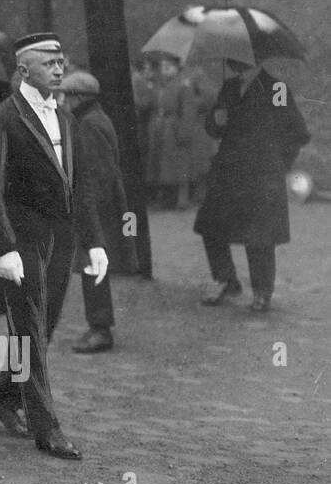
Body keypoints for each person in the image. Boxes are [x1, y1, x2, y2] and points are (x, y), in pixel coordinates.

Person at [0, 33, 107, 461]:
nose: (58, 68)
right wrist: (5, 247)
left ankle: (2, 399)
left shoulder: (68, 120)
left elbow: (82, 187)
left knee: (42, 327)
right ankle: (47, 426)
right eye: (48, 62)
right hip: (21, 238)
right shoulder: (1, 119)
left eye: (60, 61)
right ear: (23, 70)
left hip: (61, 239)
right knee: (29, 328)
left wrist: (96, 243)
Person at [194, 60, 308, 313]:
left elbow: (297, 131)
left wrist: (279, 162)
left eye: (240, 60)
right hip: (228, 172)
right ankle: (226, 280)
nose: (234, 64)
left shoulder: (275, 89)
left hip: (261, 173)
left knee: (260, 235)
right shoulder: (229, 87)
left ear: (255, 60)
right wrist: (217, 120)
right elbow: (213, 129)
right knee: (209, 226)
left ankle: (262, 291)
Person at [59, 70, 135, 353]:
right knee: (94, 266)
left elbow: (96, 173)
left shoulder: (89, 125)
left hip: (96, 209)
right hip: (101, 206)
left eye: (67, 96)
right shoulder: (97, 118)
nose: (64, 102)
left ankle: (100, 329)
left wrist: (86, 208)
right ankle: (99, 326)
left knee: (93, 266)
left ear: (79, 98)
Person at [145, 55, 194, 209]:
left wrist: (183, 133)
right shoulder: (158, 86)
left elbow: (188, 111)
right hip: (159, 127)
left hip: (174, 129)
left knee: (176, 166)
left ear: (176, 68)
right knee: (160, 166)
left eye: (169, 67)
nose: (164, 70)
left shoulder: (183, 86)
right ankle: (165, 199)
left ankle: (181, 199)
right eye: (163, 67)